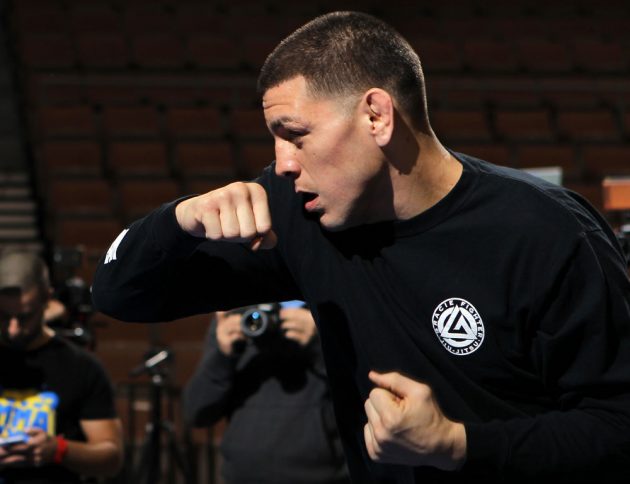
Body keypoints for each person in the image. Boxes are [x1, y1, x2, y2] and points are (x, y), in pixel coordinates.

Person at [92, 11, 630, 484]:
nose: (281, 162)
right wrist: (177, 221)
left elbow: (617, 425)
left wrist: (459, 445)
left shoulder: (546, 231)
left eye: (294, 134)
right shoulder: (300, 214)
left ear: (376, 115)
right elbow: (119, 294)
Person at [183, 301, 349, 484]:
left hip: (320, 476)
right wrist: (223, 356)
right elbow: (197, 412)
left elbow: (361, 392)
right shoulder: (239, 316)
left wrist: (321, 341)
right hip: (241, 476)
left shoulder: (329, 310)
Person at [0, 250, 124, 483]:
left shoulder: (81, 366)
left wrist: (59, 450)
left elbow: (112, 457)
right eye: (4, 316)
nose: (13, 329)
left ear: (47, 300)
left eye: (25, 317)